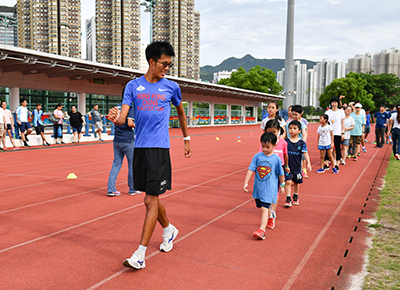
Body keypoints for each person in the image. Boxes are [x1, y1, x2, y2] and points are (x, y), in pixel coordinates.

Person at [108, 41, 192, 270]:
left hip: (159, 150)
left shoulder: (172, 87)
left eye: (170, 65)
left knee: (149, 200)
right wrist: (113, 116)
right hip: (140, 149)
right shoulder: (133, 86)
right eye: (164, 64)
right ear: (151, 61)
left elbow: (181, 113)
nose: (167, 68)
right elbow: (123, 118)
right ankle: (169, 230)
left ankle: (140, 254)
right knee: (152, 197)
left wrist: (186, 139)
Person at [244, 132, 285, 240]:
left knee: (264, 208)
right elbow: (250, 169)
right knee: (260, 207)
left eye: (268, 147)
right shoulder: (257, 156)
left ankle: (262, 230)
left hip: (270, 188)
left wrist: (283, 185)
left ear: (274, 146)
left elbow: (281, 173)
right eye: (263, 146)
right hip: (258, 188)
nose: (265, 149)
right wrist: (246, 182)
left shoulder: (276, 159)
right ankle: (270, 217)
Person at [107, 101, 142, 197]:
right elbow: (130, 123)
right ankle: (132, 189)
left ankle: (111, 189)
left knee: (116, 164)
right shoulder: (130, 108)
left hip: (117, 139)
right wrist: (139, 126)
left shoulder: (117, 107)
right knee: (132, 165)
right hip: (128, 140)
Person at [262, 119, 289, 229]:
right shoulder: (264, 143)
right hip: (267, 170)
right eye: (269, 132)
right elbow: (260, 155)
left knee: (276, 192)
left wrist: (286, 166)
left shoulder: (283, 143)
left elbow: (285, 155)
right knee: (266, 192)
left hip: (278, 170)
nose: (271, 134)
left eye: (273, 132)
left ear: (279, 131)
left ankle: (272, 213)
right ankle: (268, 211)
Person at [284, 120, 312, 207]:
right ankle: (288, 198)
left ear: (299, 130)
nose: (292, 130)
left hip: (297, 167)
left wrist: (308, 163)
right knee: (288, 182)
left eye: (294, 128)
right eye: (290, 128)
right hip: (288, 166)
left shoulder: (301, 143)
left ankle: (295, 195)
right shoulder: (286, 142)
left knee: (296, 182)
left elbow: (305, 153)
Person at [325, 97, 345, 172]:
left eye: (335, 102)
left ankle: (337, 164)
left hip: (337, 133)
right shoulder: (327, 112)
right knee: (328, 148)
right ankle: (327, 162)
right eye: (332, 102)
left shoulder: (341, 112)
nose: (334, 104)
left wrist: (343, 132)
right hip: (329, 133)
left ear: (338, 103)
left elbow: (343, 123)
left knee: (337, 148)